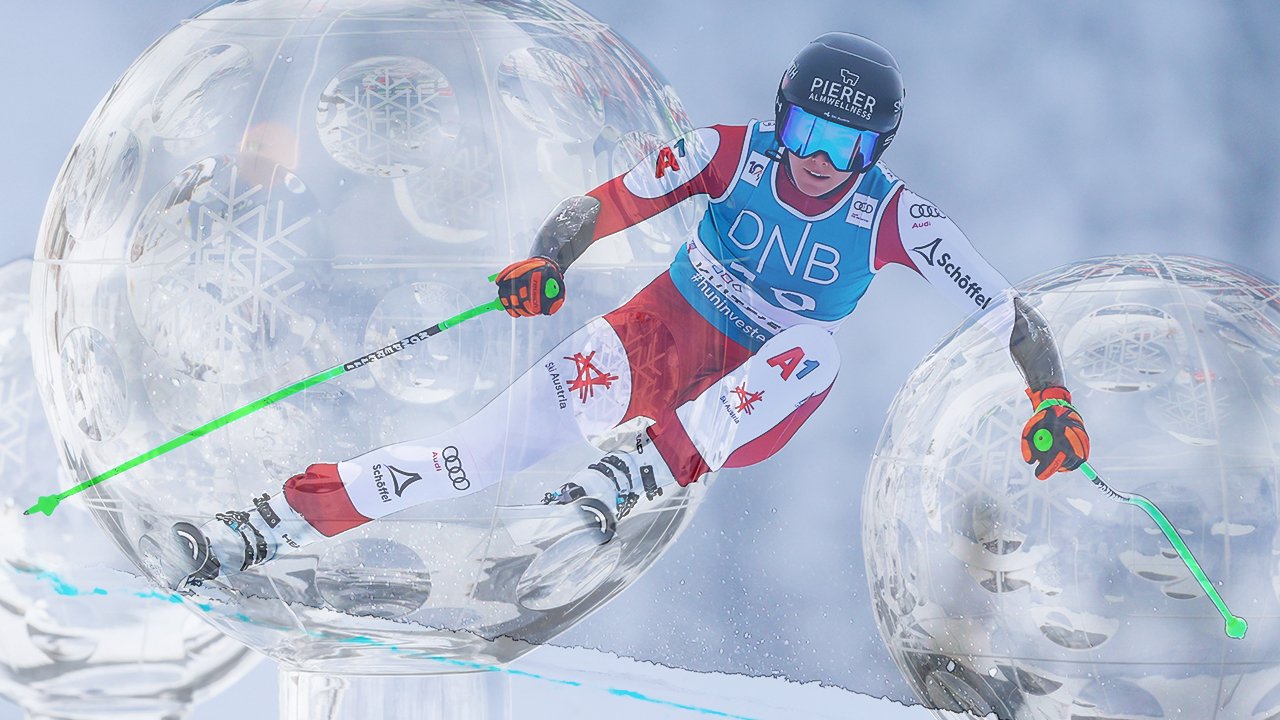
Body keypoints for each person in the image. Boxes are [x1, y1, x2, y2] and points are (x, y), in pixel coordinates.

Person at [163, 33, 1090, 588]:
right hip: (653, 340)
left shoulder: (895, 217)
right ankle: (272, 522)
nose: (817, 161)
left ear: (877, 151)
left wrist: (1052, 401)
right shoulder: (731, 154)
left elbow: (1011, 316)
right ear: (782, 117)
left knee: (818, 347)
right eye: (807, 130)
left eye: (844, 148)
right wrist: (548, 259)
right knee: (472, 455)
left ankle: (643, 468)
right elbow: (604, 203)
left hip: (751, 387)